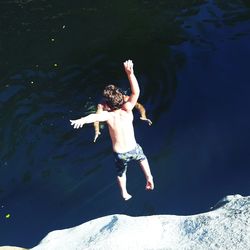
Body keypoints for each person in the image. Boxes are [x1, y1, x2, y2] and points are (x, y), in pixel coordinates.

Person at [70, 60, 154, 200]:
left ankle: (124, 193)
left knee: (121, 173)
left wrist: (81, 120)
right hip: (133, 147)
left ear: (107, 105)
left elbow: (92, 117)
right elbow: (136, 91)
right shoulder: (127, 109)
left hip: (120, 153)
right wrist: (130, 73)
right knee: (143, 159)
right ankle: (149, 177)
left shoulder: (107, 115)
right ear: (122, 99)